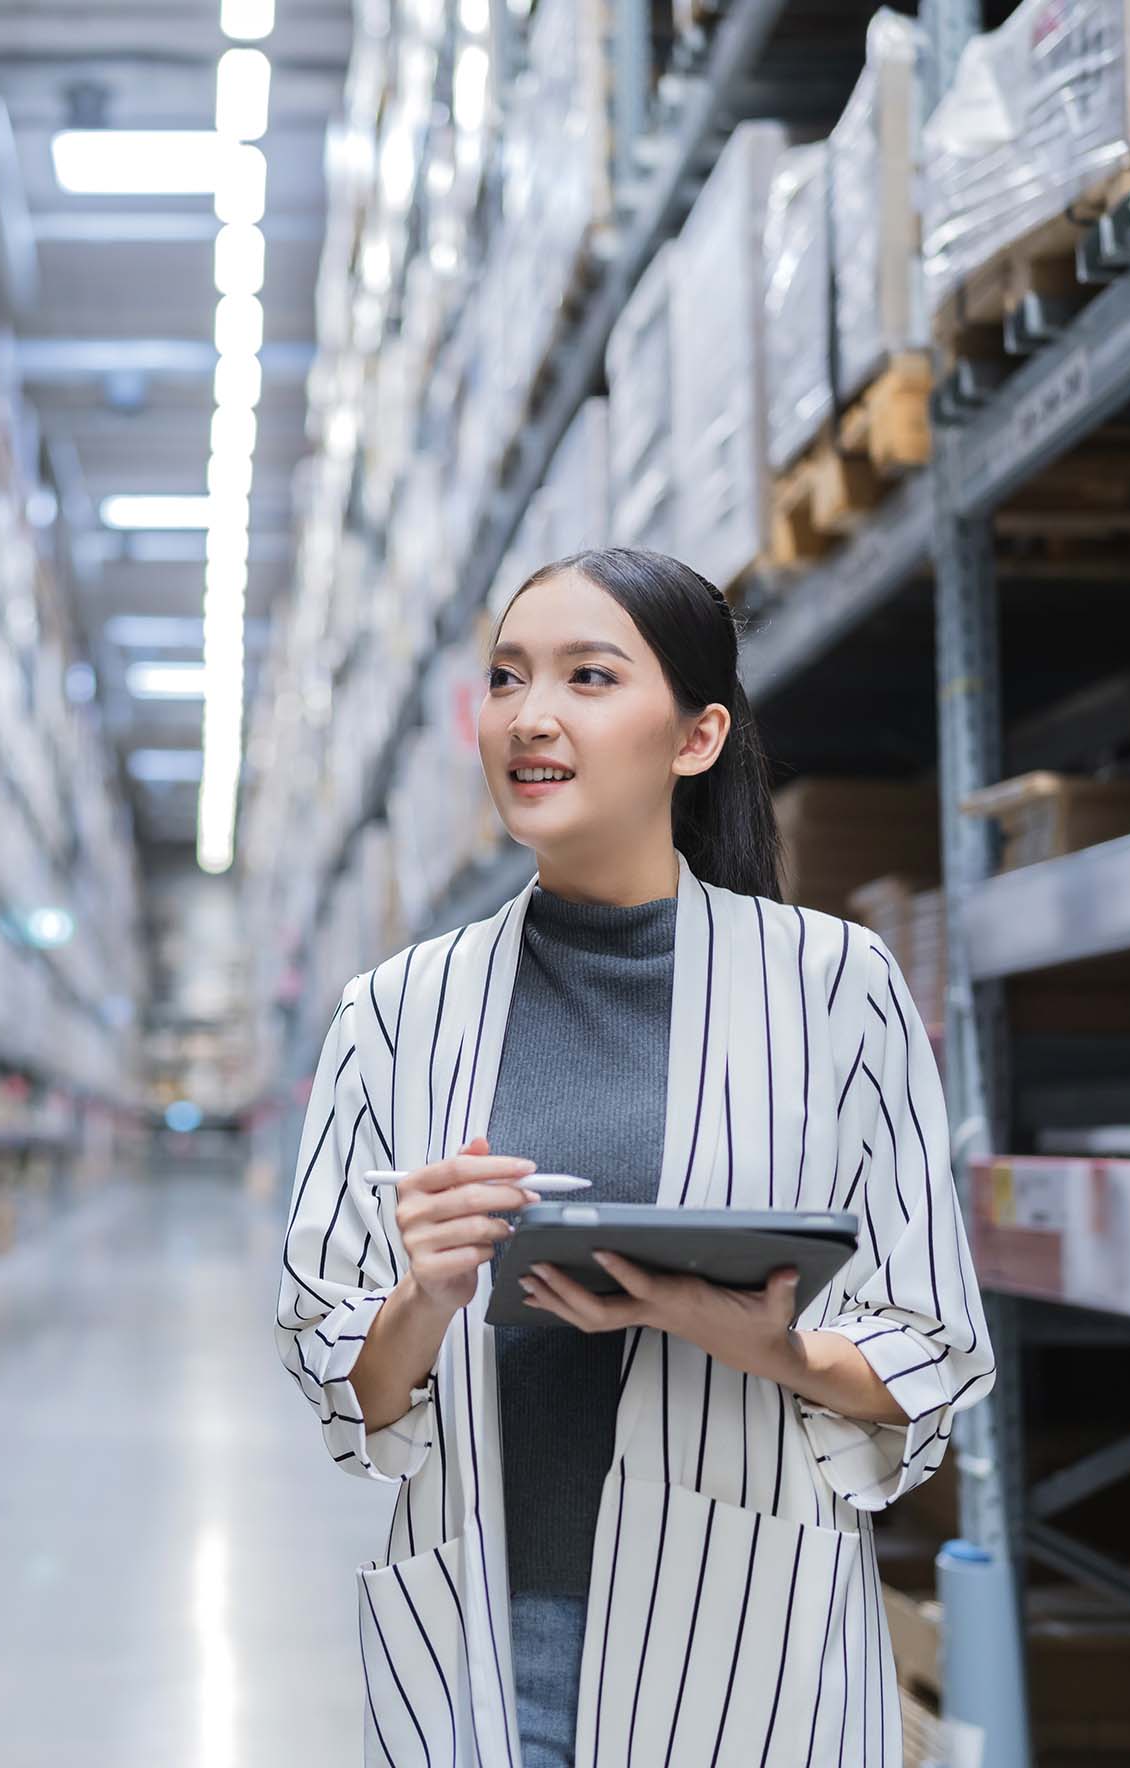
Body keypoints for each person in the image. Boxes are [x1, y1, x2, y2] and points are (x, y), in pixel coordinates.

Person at [275, 548, 994, 1768]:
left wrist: (767, 1345)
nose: (529, 715)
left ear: (696, 736)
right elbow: (344, 1381)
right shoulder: (393, 1013)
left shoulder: (832, 990)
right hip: (491, 1639)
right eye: (505, 679)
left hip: (749, 1638)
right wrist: (422, 1295)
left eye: (586, 676)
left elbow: (929, 1345)